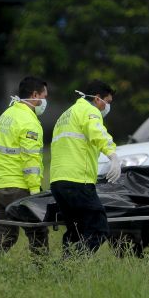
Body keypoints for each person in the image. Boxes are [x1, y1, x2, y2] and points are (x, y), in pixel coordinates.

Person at [50, 80, 121, 255]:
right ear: (98, 99)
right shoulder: (89, 111)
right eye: (107, 102)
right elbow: (98, 133)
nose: (107, 107)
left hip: (58, 181)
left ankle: (65, 271)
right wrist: (113, 155)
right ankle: (74, 266)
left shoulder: (66, 114)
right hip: (78, 180)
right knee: (98, 229)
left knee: (75, 232)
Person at [0, 76, 50, 260]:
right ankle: (42, 274)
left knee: (5, 235)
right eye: (44, 96)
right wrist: (36, 192)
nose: (45, 101)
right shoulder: (29, 122)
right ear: (35, 95)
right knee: (38, 232)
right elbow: (31, 161)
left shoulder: (7, 115)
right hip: (17, 188)